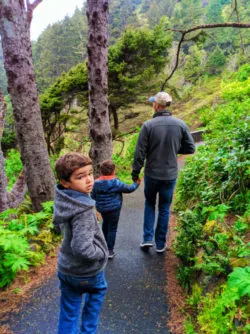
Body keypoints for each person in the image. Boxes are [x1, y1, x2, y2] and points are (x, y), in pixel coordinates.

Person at [132, 91, 195, 253]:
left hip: (152, 174)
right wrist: (174, 149)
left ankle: (147, 239)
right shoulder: (180, 124)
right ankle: (160, 244)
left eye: (153, 103)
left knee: (150, 204)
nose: (153, 105)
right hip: (170, 175)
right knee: (165, 207)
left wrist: (135, 173)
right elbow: (191, 148)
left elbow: (140, 153)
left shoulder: (148, 126)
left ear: (158, 106)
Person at [53, 152, 108, 334]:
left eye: (90, 173)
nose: (89, 180)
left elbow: (58, 227)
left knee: (68, 313)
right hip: (87, 272)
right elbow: (82, 248)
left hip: (66, 269)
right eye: (80, 177)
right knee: (93, 305)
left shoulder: (64, 199)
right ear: (65, 182)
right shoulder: (83, 208)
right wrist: (101, 252)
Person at [91, 159, 141, 259]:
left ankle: (102, 247)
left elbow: (92, 195)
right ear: (113, 170)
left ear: (101, 171)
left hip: (102, 209)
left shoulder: (95, 183)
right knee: (112, 228)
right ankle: (109, 251)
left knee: (105, 224)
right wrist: (136, 184)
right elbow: (129, 189)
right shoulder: (116, 182)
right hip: (114, 209)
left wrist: (99, 202)